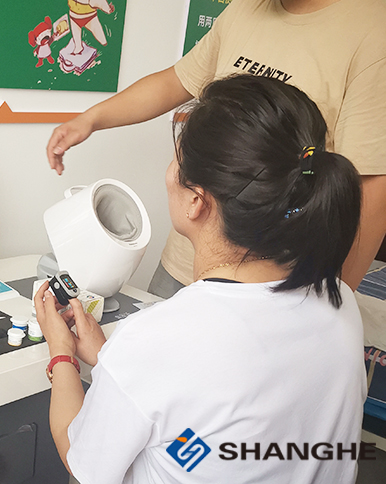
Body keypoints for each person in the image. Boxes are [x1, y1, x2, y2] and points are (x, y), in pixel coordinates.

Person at [35, 75, 366, 483]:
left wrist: (61, 354)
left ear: (196, 201)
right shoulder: (340, 300)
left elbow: (81, 460)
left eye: (176, 160)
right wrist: (113, 363)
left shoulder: (159, 340)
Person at [46, 0, 386, 298]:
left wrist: (331, 300)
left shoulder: (372, 31)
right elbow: (177, 80)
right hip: (189, 260)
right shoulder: (246, 9)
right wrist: (91, 119)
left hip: (270, 286)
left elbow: (374, 191)